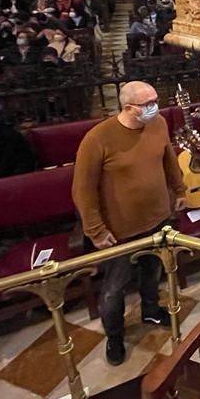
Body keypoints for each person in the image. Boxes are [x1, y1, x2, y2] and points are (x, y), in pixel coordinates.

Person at [72, 81, 186, 366]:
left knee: (153, 271)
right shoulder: (97, 138)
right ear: (129, 108)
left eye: (155, 100)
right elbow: (82, 190)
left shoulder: (158, 122)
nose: (155, 107)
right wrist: (95, 230)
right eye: (148, 103)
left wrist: (180, 190)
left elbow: (168, 158)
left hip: (158, 218)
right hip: (119, 230)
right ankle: (115, 335)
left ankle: (150, 309)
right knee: (113, 288)